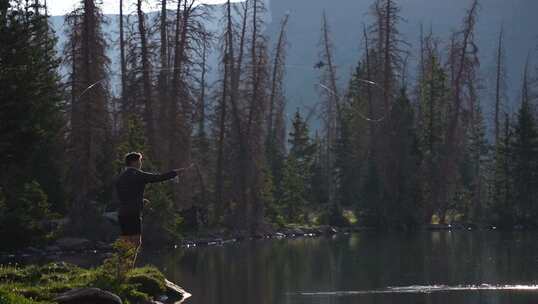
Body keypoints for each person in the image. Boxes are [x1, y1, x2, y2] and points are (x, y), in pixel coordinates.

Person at [115, 152, 192, 267]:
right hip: (133, 213)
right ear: (134, 162)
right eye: (140, 161)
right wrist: (175, 172)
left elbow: (124, 195)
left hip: (122, 213)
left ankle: (121, 268)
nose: (140, 163)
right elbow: (158, 178)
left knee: (125, 241)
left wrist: (140, 201)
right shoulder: (138, 174)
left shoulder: (121, 177)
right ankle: (128, 268)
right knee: (136, 242)